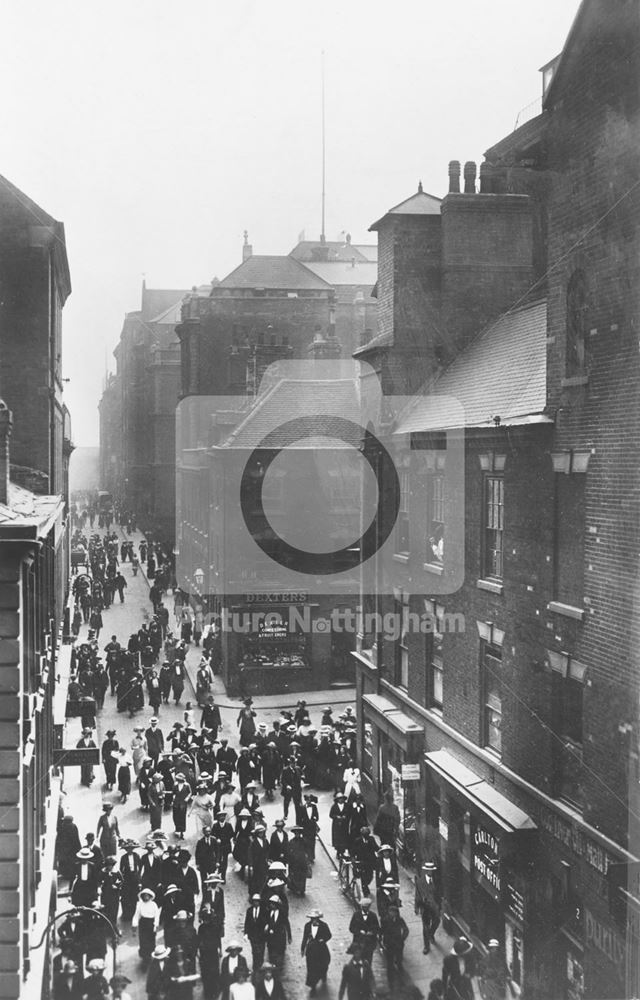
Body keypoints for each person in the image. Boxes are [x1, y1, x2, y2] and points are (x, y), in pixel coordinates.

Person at [301, 909, 332, 995]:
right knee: (311, 968)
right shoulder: (307, 926)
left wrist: (323, 940)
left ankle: (323, 974)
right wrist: (302, 948)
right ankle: (313, 986)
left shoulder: (324, 925)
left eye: (316, 918)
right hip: (311, 950)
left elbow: (329, 935)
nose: (314, 920)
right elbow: (305, 938)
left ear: (319, 918)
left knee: (324, 964)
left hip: (321, 950)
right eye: (312, 918)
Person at [415, 861, 441, 954]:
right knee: (425, 927)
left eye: (431, 871)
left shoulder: (436, 880)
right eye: (428, 871)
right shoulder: (420, 882)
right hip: (425, 907)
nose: (430, 873)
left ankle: (431, 934)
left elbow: (439, 894)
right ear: (426, 871)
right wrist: (416, 907)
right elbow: (417, 895)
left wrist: (439, 906)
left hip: (434, 907)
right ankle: (426, 946)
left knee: (437, 921)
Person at [380, 904, 409, 980]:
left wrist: (402, 938)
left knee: (399, 959)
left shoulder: (400, 920)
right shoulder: (385, 920)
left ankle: (400, 973)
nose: (392, 914)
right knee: (390, 961)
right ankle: (391, 977)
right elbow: (382, 931)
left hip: (398, 942)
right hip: (389, 943)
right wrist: (381, 939)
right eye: (391, 912)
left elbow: (406, 929)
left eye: (394, 912)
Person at [133, 887, 160, 959]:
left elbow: (157, 915)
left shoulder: (154, 904)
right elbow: (136, 915)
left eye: (147, 895)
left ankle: (151, 953)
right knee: (143, 939)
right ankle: (144, 955)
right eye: (144, 895)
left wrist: (156, 925)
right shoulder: (140, 905)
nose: (146, 897)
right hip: (143, 923)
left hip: (151, 923)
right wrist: (134, 925)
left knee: (151, 939)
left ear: (150, 896)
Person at [56, 814, 82, 883]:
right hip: (72, 848)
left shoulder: (62, 826)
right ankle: (70, 875)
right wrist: (79, 848)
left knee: (65, 861)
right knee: (71, 862)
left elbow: (59, 837)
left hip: (64, 849)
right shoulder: (73, 826)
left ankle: (65, 874)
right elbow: (76, 838)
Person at [286, 826, 308, 896]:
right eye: (296, 833)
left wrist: (307, 858)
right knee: (295, 876)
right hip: (294, 862)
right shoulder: (291, 842)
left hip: (302, 862)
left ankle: (302, 889)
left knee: (302, 876)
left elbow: (307, 851)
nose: (297, 834)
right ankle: (296, 889)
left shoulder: (304, 841)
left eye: (298, 833)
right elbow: (289, 852)